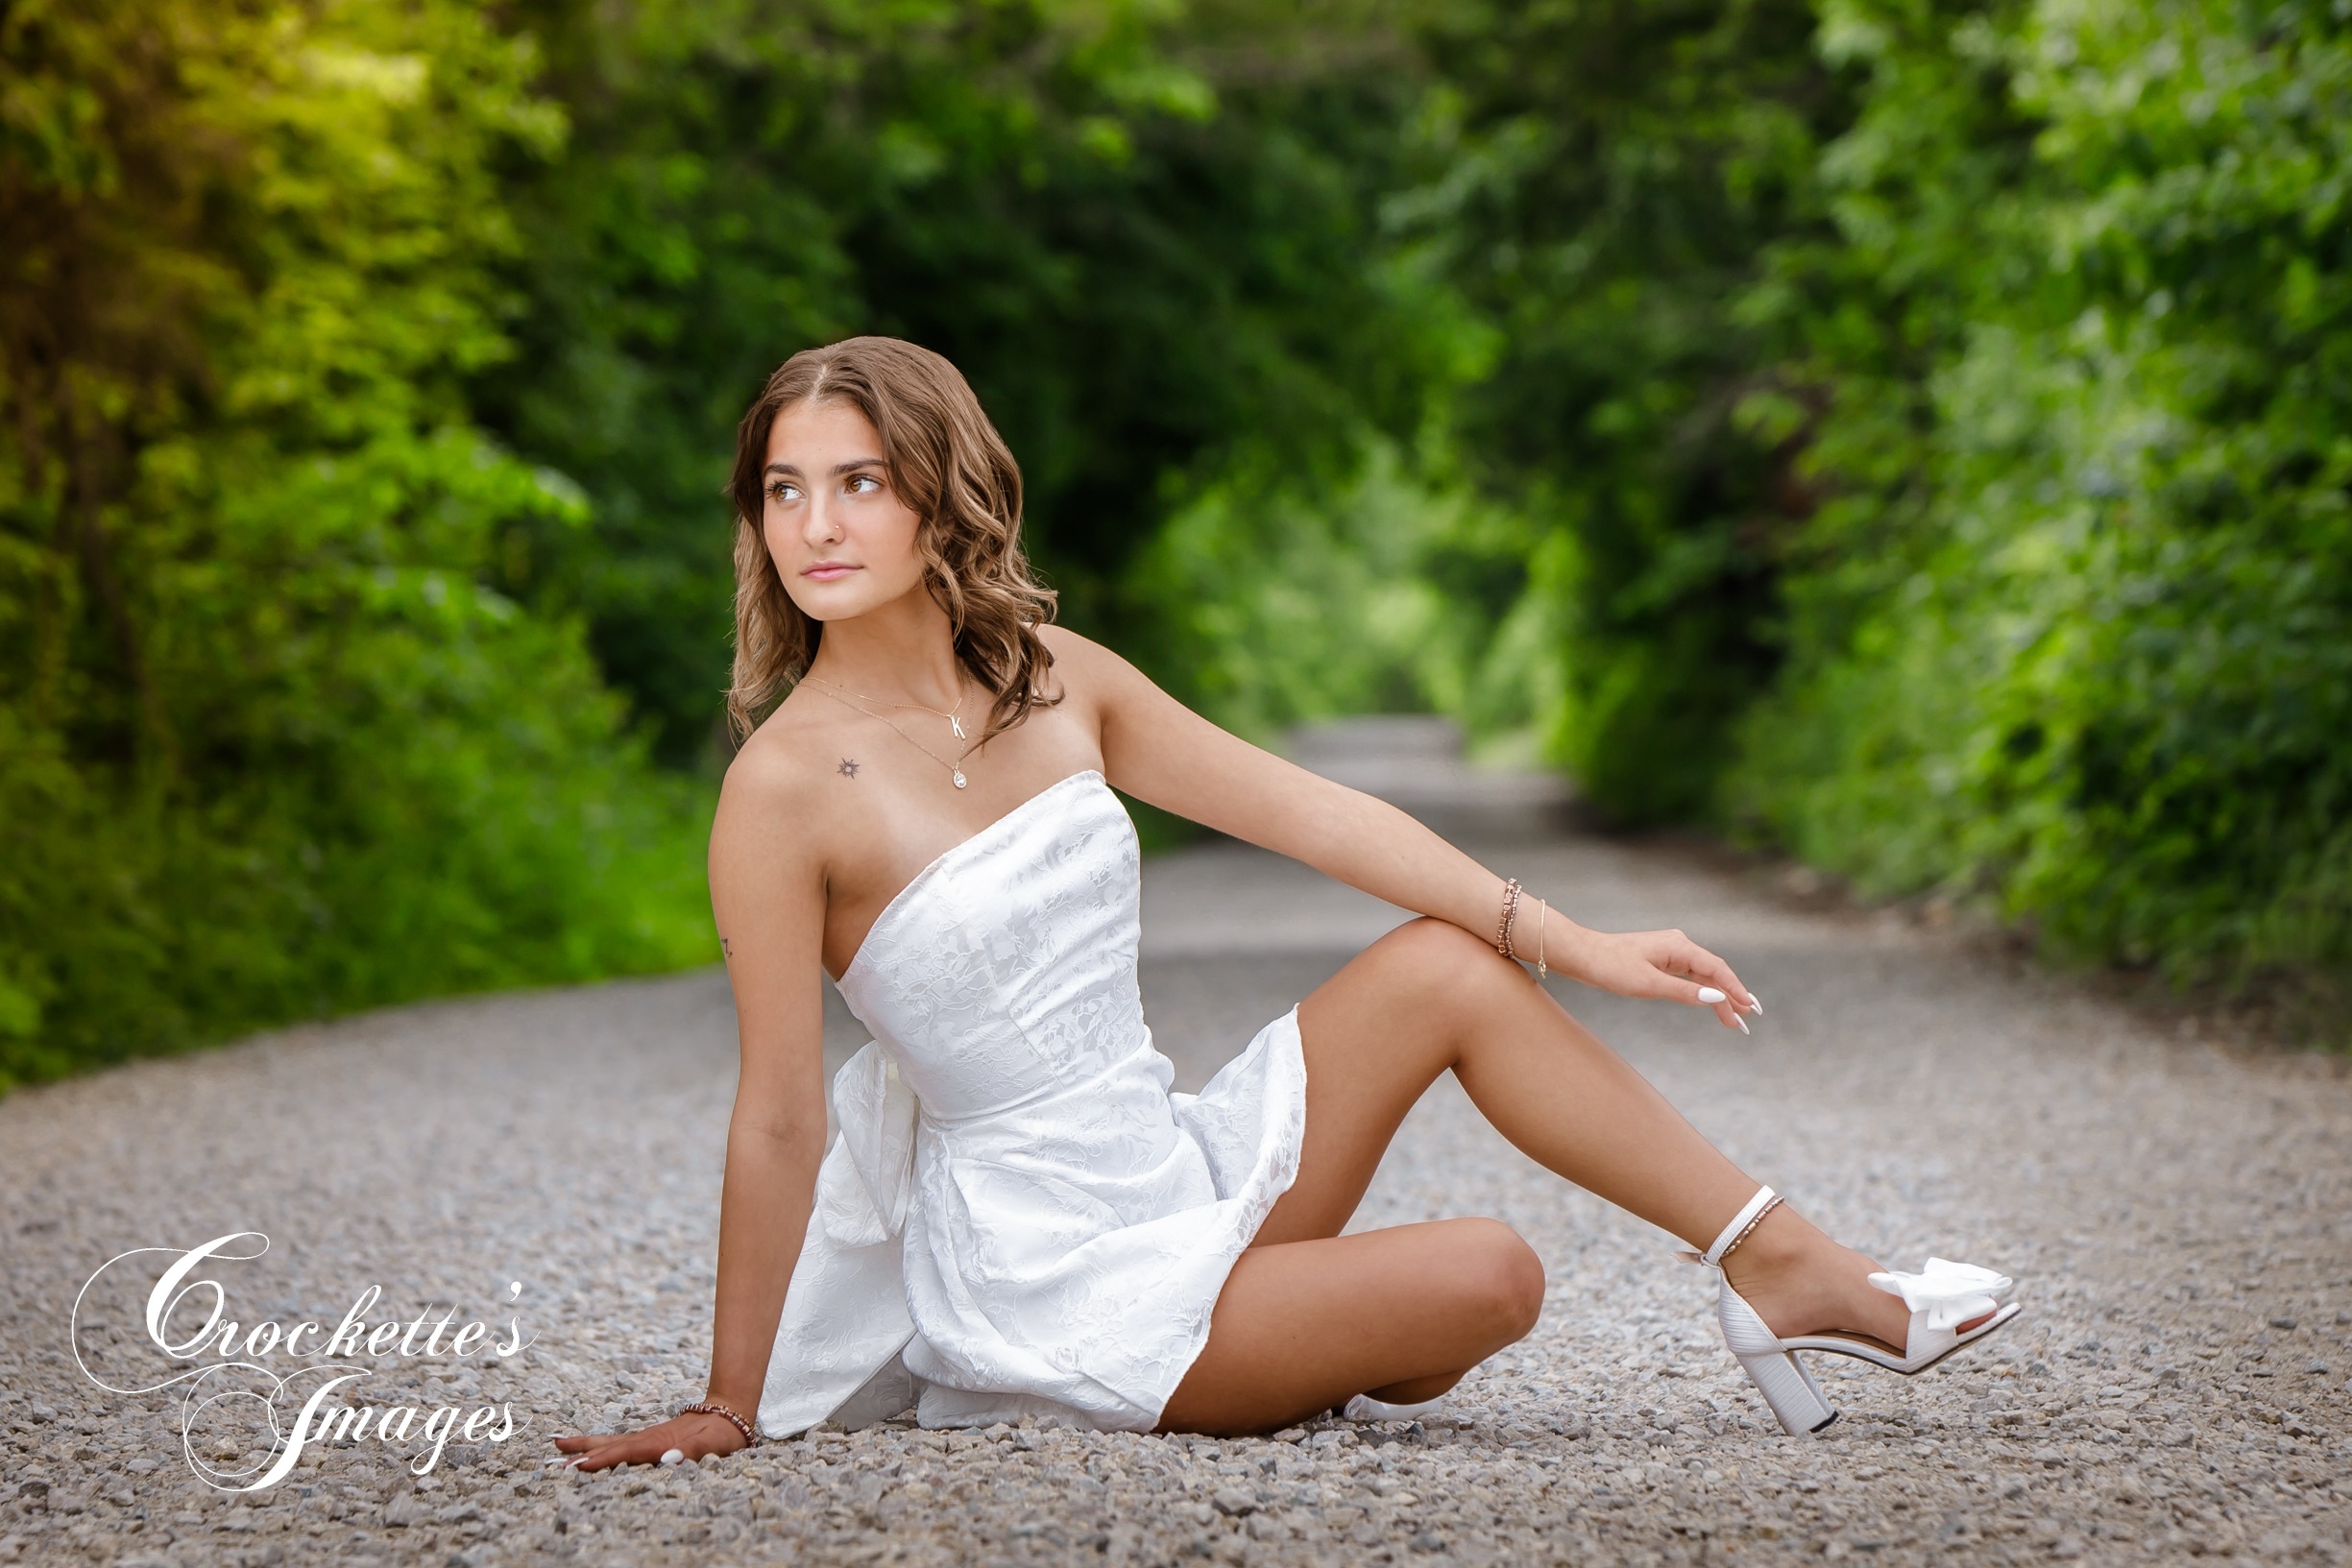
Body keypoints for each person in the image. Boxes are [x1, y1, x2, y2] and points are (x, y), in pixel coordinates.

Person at [554, 337, 2016, 1470]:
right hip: (1053, 1266)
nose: (814, 522)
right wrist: (727, 1402)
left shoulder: (1060, 682)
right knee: (1490, 1276)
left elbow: (1320, 814)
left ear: (938, 488)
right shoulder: (785, 785)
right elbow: (779, 1114)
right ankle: (1299, 1344)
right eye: (783, 487)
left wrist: (1576, 941)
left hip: (1171, 1166)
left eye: (856, 479)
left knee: (1448, 962)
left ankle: (1787, 1265)